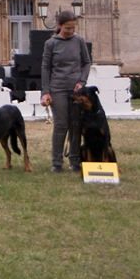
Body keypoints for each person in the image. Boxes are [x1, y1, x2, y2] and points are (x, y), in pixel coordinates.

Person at [41, 10, 92, 173]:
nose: (71, 31)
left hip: (76, 90)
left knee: (75, 125)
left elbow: (86, 63)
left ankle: (75, 160)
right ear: (60, 26)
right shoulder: (51, 43)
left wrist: (82, 82)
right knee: (61, 124)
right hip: (58, 88)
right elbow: (45, 68)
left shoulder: (79, 41)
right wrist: (46, 91)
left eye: (73, 28)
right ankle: (57, 162)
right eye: (68, 28)